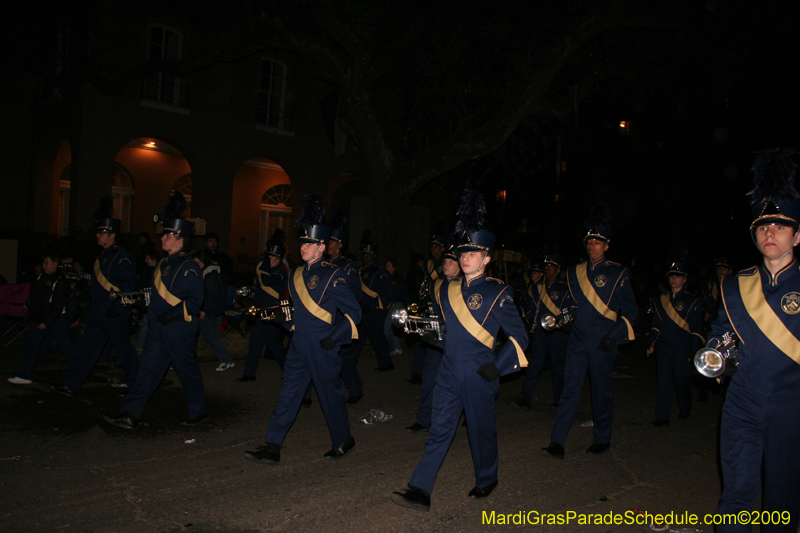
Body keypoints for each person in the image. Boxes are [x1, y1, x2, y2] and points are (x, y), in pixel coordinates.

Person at [392, 190, 529, 511]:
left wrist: (498, 366)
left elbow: (520, 336)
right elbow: (443, 335)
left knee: (480, 432)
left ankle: (486, 478)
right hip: (449, 371)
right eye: (463, 251)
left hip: (480, 372)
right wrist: (420, 329)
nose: (465, 256)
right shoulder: (447, 291)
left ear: (487, 258)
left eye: (473, 252)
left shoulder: (498, 291)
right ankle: (420, 489)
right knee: (439, 430)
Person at [709, 148, 800, 533]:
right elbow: (720, 331)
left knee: (782, 505)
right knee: (735, 499)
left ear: (797, 235)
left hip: (792, 406)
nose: (770, 233)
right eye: (763, 227)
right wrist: (716, 351)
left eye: (780, 226)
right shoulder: (735, 284)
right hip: (742, 402)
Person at [243, 194, 362, 463]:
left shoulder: (333, 274)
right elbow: (294, 312)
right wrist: (280, 320)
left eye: (309, 243)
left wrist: (335, 338)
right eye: (302, 242)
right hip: (298, 344)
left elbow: (354, 312)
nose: (303, 246)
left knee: (329, 396)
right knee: (288, 393)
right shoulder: (296, 274)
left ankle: (344, 439)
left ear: (322, 246)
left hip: (323, 344)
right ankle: (272, 446)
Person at [541, 203, 638, 459]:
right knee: (569, 389)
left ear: (607, 245)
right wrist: (565, 320)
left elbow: (631, 312)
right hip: (578, 340)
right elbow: (573, 305)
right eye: (590, 241)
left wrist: (614, 337)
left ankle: (602, 438)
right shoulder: (575, 272)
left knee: (601, 390)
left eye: (598, 241)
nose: (592, 245)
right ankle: (557, 442)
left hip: (602, 341)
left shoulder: (618, 273)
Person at [103, 191, 206, 429]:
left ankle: (198, 411)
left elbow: (193, 302)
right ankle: (130, 414)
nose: (162, 237)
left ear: (179, 238)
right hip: (158, 327)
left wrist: (167, 316)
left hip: (178, 328)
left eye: (167, 234)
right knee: (146, 372)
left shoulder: (188, 267)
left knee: (187, 372)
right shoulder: (162, 264)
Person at [52, 197, 139, 396]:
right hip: (99, 312)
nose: (98, 235)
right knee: (87, 350)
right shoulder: (101, 258)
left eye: (102, 232)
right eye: (98, 232)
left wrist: (117, 310)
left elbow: (127, 289)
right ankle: (70, 383)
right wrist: (80, 282)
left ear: (112, 235)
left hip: (114, 313)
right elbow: (98, 289)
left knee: (125, 352)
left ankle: (137, 388)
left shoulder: (122, 257)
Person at [405, 240, 461, 432]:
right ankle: (423, 420)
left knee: (460, 384)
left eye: (452, 261)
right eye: (445, 260)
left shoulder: (466, 286)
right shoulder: (435, 284)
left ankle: (468, 416)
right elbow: (430, 310)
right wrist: (418, 322)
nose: (446, 264)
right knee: (429, 381)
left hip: (458, 342)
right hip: (437, 340)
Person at [510, 247, 573, 410]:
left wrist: (562, 323)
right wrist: (533, 320)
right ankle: (526, 395)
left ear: (558, 270)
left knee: (558, 367)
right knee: (535, 364)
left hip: (557, 334)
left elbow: (569, 311)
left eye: (551, 267)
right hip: (541, 332)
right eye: (546, 267)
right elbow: (531, 308)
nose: (547, 270)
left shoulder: (564, 289)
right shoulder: (538, 288)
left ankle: (560, 399)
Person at [646, 257, 705, 426]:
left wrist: (692, 352)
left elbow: (696, 329)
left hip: (682, 347)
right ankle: (662, 416)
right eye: (671, 275)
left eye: (678, 276)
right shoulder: (660, 300)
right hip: (664, 346)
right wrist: (651, 343)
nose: (674, 279)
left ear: (684, 279)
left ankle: (685, 407)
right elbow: (657, 324)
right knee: (663, 380)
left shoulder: (692, 301)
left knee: (681, 379)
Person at [8, 253, 78, 384]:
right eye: (43, 263)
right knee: (31, 345)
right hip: (39, 319)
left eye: (47, 263)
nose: (44, 266)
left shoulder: (60, 281)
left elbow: (57, 305)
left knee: (66, 346)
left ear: (55, 264)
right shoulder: (42, 278)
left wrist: (46, 322)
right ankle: (25, 375)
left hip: (56, 320)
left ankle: (82, 369)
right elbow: (36, 299)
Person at [238, 229, 289, 381]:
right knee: (254, 345)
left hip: (272, 315)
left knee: (276, 347)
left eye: (272, 256)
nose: (269, 258)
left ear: (278, 258)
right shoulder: (266, 271)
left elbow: (266, 282)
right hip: (259, 314)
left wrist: (265, 265)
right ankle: (249, 374)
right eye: (269, 256)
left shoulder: (281, 272)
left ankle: (290, 372)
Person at [325, 212, 364, 403]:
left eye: (332, 241)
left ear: (340, 244)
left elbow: (356, 293)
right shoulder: (322, 264)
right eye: (327, 241)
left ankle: (355, 390)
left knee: (346, 360)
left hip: (341, 319)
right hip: (324, 318)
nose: (328, 245)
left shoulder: (348, 266)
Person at [350, 230, 393, 374]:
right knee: (356, 339)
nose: (364, 257)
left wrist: (373, 306)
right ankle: (349, 365)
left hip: (373, 311)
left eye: (367, 255)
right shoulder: (360, 270)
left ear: (373, 255)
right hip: (361, 310)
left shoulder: (380, 272)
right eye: (363, 254)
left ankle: (386, 364)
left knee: (377, 339)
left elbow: (385, 294)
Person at [408, 230, 447, 383]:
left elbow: (434, 278)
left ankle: (435, 375)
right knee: (421, 336)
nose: (433, 248)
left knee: (435, 339)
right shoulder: (429, 263)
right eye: (432, 246)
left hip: (438, 304)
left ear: (443, 248)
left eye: (436, 246)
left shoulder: (446, 262)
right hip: (426, 302)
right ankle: (416, 372)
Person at [193, 250, 235, 371]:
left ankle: (226, 360)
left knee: (211, 335)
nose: (196, 265)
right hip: (206, 309)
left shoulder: (210, 275)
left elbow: (211, 295)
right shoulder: (207, 273)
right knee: (205, 334)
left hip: (207, 310)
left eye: (198, 262)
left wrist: (203, 311)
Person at [134, 249, 160, 354]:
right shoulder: (149, 271)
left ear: (154, 259)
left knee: (148, 324)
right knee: (146, 323)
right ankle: (141, 347)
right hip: (148, 304)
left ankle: (142, 347)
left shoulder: (156, 271)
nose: (145, 260)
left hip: (153, 304)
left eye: (148, 258)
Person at [384, 259, 409, 357]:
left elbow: (400, 293)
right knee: (390, 328)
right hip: (389, 305)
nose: (387, 268)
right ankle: (397, 348)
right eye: (386, 266)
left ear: (394, 268)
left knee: (386, 326)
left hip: (396, 305)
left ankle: (382, 350)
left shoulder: (398, 279)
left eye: (389, 266)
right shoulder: (386, 278)